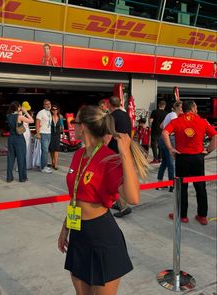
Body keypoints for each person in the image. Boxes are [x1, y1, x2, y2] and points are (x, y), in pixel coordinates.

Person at [58, 105, 148, 295]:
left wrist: (124, 154)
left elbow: (133, 198)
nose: (72, 126)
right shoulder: (77, 155)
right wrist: (66, 227)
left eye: (75, 122)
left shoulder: (109, 159)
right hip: (78, 234)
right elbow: (76, 197)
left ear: (83, 127)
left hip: (102, 236)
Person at [162, 100, 217, 225]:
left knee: (181, 187)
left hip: (182, 157)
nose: (197, 110)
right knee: (200, 187)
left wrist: (171, 149)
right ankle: (202, 216)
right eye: (196, 107)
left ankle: (182, 215)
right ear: (192, 108)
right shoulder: (202, 121)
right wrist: (208, 150)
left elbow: (164, 132)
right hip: (198, 158)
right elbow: (215, 136)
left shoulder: (176, 121)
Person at [108, 96, 132, 218]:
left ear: (109, 105)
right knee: (120, 178)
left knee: (116, 179)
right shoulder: (126, 115)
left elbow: (108, 134)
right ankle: (119, 202)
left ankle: (123, 206)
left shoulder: (111, 117)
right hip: (125, 149)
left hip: (114, 151)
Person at [157, 101, 183, 192]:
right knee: (171, 162)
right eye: (181, 108)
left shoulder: (169, 114)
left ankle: (159, 182)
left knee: (164, 162)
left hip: (161, 138)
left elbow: (161, 126)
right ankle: (172, 184)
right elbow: (175, 128)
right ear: (177, 108)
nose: (182, 110)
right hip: (169, 138)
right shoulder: (174, 116)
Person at [6, 101, 34, 182]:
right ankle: (22, 177)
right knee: (21, 158)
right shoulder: (19, 117)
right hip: (19, 138)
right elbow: (31, 120)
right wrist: (26, 112)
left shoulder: (8, 116)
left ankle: (9, 177)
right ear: (17, 107)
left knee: (10, 158)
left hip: (11, 138)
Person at [36, 99, 52, 173]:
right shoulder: (41, 112)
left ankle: (44, 165)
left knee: (46, 151)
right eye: (46, 104)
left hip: (49, 133)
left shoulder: (49, 113)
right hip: (43, 133)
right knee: (45, 151)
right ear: (43, 105)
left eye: (49, 104)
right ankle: (43, 167)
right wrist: (38, 133)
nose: (48, 105)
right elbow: (37, 123)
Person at [49, 104, 64, 170]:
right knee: (51, 149)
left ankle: (56, 164)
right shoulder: (50, 116)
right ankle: (52, 161)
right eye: (53, 110)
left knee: (56, 149)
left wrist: (63, 132)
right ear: (51, 110)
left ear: (58, 110)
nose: (54, 111)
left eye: (56, 109)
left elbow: (62, 125)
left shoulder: (60, 116)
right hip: (51, 134)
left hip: (57, 134)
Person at [22, 101, 33, 170]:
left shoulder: (22, 114)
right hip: (26, 132)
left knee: (23, 149)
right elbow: (32, 121)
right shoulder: (27, 114)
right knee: (27, 148)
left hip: (23, 132)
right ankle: (27, 165)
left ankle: (24, 165)